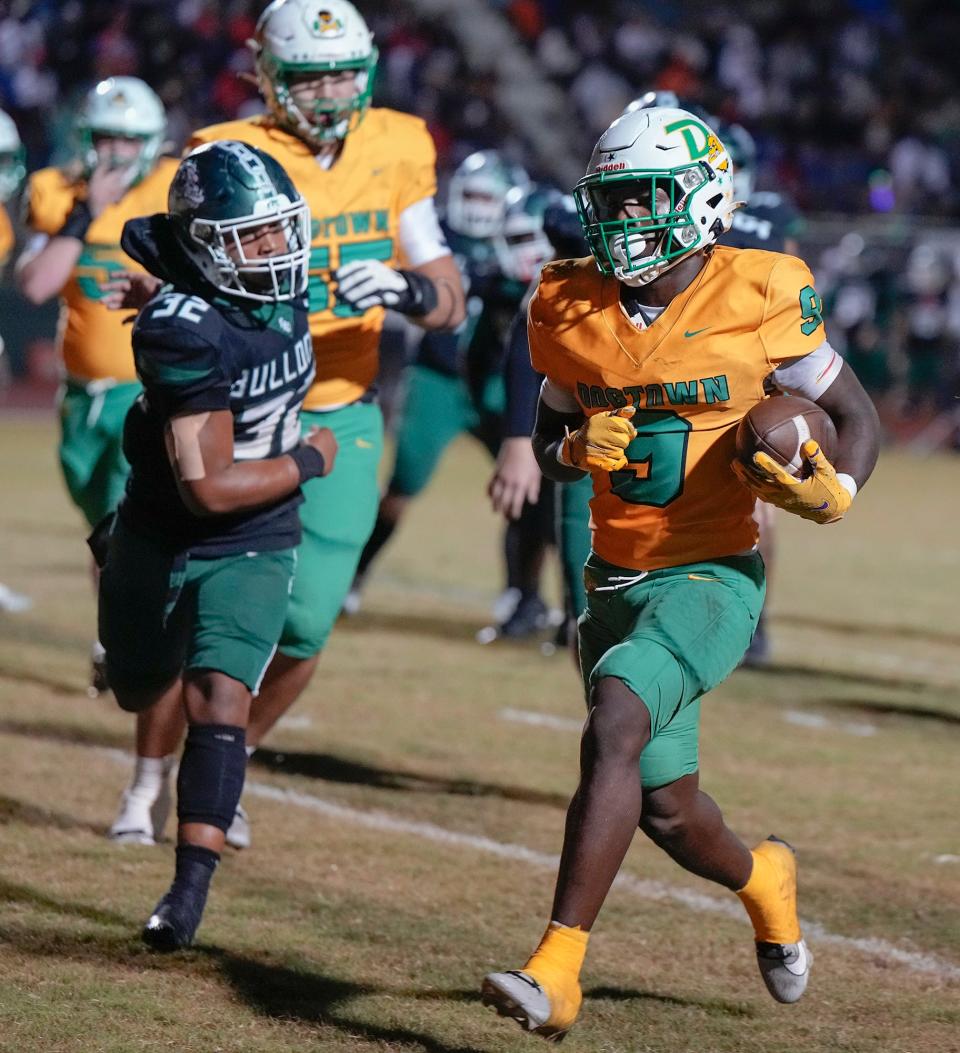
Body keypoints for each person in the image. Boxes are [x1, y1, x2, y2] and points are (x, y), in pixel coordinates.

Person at [480, 105, 880, 1040]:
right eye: (608, 201)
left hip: (713, 575)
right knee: (668, 810)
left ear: (702, 200)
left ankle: (557, 968)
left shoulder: (764, 289)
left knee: (615, 719)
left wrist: (839, 491)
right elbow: (550, 424)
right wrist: (574, 445)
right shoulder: (568, 302)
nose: (619, 221)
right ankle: (765, 881)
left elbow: (853, 412)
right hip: (613, 577)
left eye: (640, 199)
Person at [106, 0, 465, 851]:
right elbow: (179, 269)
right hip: (240, 402)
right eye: (313, 75)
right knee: (188, 612)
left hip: (340, 406)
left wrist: (410, 291)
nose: (335, 90)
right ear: (269, 74)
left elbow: (450, 296)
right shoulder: (226, 149)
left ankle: (225, 765)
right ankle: (147, 777)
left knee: (305, 624)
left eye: (346, 71)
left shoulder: (399, 143)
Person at [99, 140, 335, 950]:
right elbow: (208, 486)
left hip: (258, 535)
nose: (277, 250)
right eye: (252, 237)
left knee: (220, 696)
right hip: (173, 524)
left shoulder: (283, 291)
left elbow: (228, 306)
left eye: (279, 230)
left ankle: (186, 891)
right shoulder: (178, 330)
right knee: (137, 687)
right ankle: (113, 553)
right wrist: (310, 458)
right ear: (205, 243)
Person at [351, 159, 560, 641]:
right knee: (402, 487)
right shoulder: (437, 236)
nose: (475, 210)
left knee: (527, 490)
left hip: (499, 382)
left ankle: (522, 595)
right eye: (470, 197)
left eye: (486, 199)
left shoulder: (527, 234)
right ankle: (352, 576)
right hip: (439, 380)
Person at [15, 76, 176, 695]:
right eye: (104, 137)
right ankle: (118, 634)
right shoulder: (59, 192)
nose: (113, 151)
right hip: (81, 396)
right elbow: (35, 284)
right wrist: (87, 215)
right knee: (100, 529)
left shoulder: (171, 189)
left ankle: (126, 644)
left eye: (127, 139)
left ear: (151, 141)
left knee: (120, 524)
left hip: (146, 392)